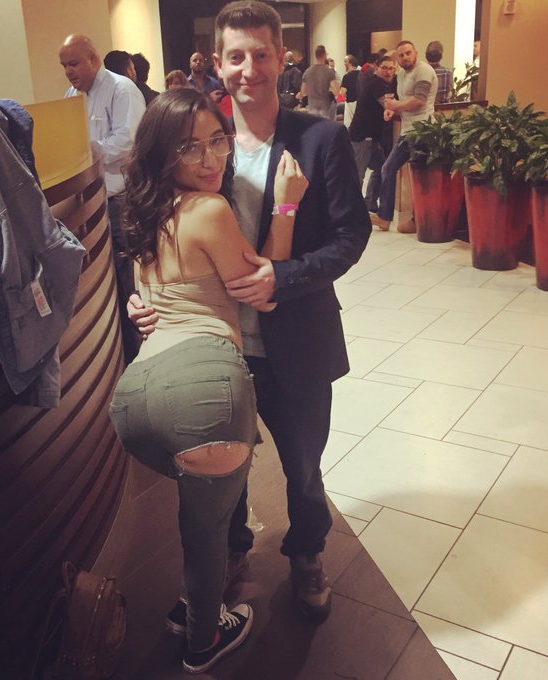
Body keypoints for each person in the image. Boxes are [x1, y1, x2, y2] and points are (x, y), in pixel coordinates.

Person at [129, 0, 370, 623]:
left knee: (303, 466)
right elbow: (162, 225)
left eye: (261, 54)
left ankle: (307, 550)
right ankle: (233, 549)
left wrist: (283, 277)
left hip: (298, 341)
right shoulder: (203, 140)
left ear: (282, 57)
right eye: (236, 56)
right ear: (218, 62)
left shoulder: (319, 138)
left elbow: (351, 236)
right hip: (219, 351)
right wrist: (147, 296)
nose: (249, 69)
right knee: (225, 471)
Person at [111, 86, 307, 674]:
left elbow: (151, 299)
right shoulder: (210, 209)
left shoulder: (146, 213)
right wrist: (286, 206)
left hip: (135, 397)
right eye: (189, 147)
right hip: (203, 387)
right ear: (162, 154)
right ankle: (202, 641)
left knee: (198, 513)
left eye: (216, 141)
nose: (209, 159)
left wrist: (138, 306)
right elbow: (261, 290)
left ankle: (188, 606)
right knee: (205, 528)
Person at [59, 34, 146, 363]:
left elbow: (128, 142)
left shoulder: (122, 89)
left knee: (129, 279)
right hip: (89, 203)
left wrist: (87, 151)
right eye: (64, 65)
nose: (68, 71)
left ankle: (140, 353)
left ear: (93, 60)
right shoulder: (72, 96)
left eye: (73, 63)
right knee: (102, 281)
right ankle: (118, 353)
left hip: (121, 202)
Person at [370, 40, 436, 233]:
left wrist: (396, 106)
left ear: (416, 53)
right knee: (390, 169)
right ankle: (386, 217)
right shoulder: (401, 75)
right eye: (401, 55)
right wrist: (392, 110)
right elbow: (401, 101)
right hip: (408, 130)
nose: (405, 57)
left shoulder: (423, 71)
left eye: (408, 53)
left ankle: (416, 219)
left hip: (422, 129)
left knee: (417, 174)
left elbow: (419, 100)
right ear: (397, 59)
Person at [349, 55, 397, 213]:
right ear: (377, 68)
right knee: (358, 174)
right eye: (385, 68)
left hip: (372, 138)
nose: (388, 72)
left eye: (391, 68)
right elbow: (387, 104)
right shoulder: (375, 83)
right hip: (361, 137)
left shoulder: (385, 84)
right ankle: (352, 209)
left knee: (382, 168)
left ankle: (369, 201)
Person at [298, 45, 340, 119]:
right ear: (324, 55)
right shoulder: (329, 72)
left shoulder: (308, 72)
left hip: (312, 106)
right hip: (325, 107)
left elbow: (303, 92)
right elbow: (336, 91)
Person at [425, 40, 453, 105]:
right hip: (444, 109)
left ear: (426, 56)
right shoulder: (447, 72)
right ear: (441, 56)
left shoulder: (421, 72)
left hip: (427, 108)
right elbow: (449, 91)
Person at [340, 54, 361, 127]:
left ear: (349, 63)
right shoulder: (361, 74)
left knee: (348, 125)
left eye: (345, 61)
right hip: (360, 102)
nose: (344, 63)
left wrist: (340, 99)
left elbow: (343, 92)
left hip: (350, 104)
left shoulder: (347, 76)